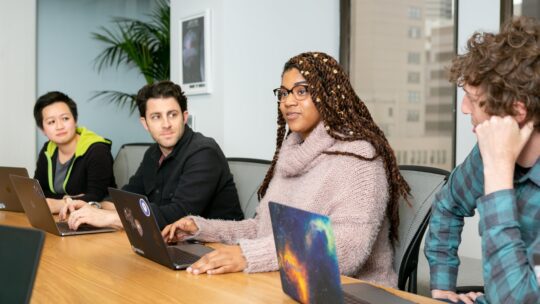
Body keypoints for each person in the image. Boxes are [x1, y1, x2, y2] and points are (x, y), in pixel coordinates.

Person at [161, 52, 410, 287]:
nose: (288, 101)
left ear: (329, 95)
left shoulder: (359, 157)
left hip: (350, 290)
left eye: (302, 91)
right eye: (283, 93)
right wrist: (201, 228)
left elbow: (348, 249)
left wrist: (250, 256)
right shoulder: (291, 154)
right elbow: (262, 230)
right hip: (288, 284)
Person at [424, 16, 540, 304]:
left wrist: (499, 172)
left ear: (518, 111)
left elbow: (517, 300)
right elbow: (447, 206)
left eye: (474, 100)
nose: (464, 109)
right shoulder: (485, 153)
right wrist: (443, 289)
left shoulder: (495, 158)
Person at [60, 81, 243, 230]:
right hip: (173, 243)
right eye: (156, 117)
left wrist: (108, 218)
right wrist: (93, 206)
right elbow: (127, 197)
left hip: (217, 250)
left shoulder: (204, 153)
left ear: (184, 117)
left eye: (172, 115)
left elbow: (178, 215)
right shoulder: (152, 154)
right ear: (145, 123)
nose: (166, 124)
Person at [33, 91, 116, 213]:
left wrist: (60, 203)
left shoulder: (97, 150)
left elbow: (97, 196)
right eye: (51, 122)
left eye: (65, 118)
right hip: (61, 217)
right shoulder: (48, 149)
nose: (60, 126)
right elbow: (38, 192)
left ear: (75, 120)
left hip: (98, 218)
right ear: (43, 130)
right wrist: (68, 199)